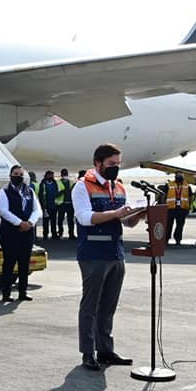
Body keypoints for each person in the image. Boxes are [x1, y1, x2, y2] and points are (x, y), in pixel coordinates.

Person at [72, 143, 147, 371]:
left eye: (118, 164)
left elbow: (124, 221)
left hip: (115, 252)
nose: (116, 168)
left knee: (108, 305)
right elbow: (85, 217)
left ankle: (105, 350)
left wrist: (139, 214)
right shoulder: (82, 186)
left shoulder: (119, 187)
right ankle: (88, 352)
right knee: (91, 305)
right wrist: (115, 213)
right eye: (111, 164)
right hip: (93, 253)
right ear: (98, 163)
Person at [0, 165, 41, 302]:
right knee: (9, 263)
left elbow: (37, 210)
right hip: (10, 233)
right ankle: (6, 293)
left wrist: (30, 223)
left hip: (27, 233)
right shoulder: (4, 191)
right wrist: (19, 223)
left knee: (24, 263)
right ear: (10, 175)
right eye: (16, 174)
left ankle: (23, 291)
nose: (18, 176)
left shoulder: (29, 191)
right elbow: (4, 211)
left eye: (21, 174)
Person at [161, 171, 191, 245]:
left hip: (182, 208)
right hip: (170, 208)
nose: (180, 177)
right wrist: (163, 206)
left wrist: (189, 207)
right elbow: (163, 195)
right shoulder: (169, 185)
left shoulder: (187, 186)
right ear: (175, 177)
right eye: (178, 176)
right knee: (168, 225)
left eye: (181, 176)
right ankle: (166, 239)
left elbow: (190, 197)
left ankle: (178, 239)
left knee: (180, 225)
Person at [39, 170, 59, 240]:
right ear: (46, 175)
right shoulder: (43, 184)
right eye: (50, 175)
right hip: (46, 206)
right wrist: (42, 206)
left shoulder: (55, 183)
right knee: (45, 221)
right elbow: (41, 195)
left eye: (52, 175)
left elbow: (57, 193)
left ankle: (54, 234)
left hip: (54, 205)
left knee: (53, 221)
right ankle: (45, 234)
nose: (51, 176)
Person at [56, 168, 75, 239]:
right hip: (62, 203)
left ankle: (71, 234)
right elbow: (55, 194)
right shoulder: (58, 183)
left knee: (70, 220)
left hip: (70, 203)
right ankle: (61, 233)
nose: (65, 175)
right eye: (64, 174)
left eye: (65, 174)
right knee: (60, 220)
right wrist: (62, 192)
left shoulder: (72, 182)